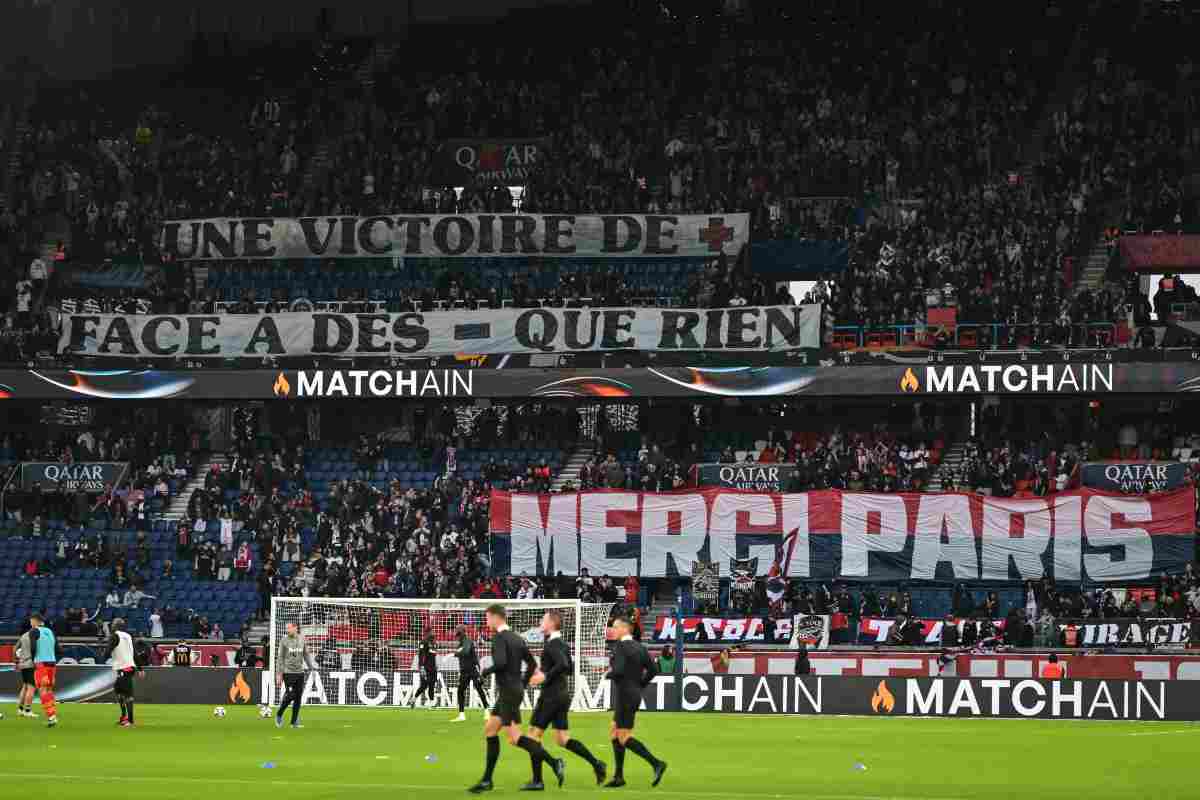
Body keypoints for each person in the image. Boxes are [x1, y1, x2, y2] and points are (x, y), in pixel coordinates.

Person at [468, 604, 563, 794]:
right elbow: (531, 663)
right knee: (490, 730)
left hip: (508, 693)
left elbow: (501, 662)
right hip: (513, 691)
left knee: (514, 738)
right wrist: (522, 683)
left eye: (488, 618)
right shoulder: (518, 638)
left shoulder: (500, 638)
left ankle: (554, 762)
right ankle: (487, 780)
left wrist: (485, 672)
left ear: (496, 618)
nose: (487, 623)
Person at [526, 610, 607, 788]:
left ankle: (540, 779)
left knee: (532, 737)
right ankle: (597, 764)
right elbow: (569, 668)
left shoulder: (552, 644)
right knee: (562, 739)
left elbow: (563, 665)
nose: (541, 621)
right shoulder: (561, 643)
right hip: (562, 694)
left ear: (552, 623)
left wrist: (544, 676)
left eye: (543, 619)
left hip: (551, 696)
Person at [606, 615, 666, 788]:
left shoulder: (620, 647)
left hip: (625, 695)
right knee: (614, 733)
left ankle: (657, 763)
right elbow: (654, 669)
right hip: (633, 693)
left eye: (616, 627)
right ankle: (618, 776)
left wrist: (607, 673)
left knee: (623, 736)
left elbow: (618, 671)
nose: (613, 630)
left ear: (625, 629)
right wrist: (639, 684)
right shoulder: (640, 647)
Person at [275, 622, 317, 729]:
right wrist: (279, 674)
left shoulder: (302, 639)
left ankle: (294, 722)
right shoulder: (284, 640)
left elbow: (306, 654)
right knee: (290, 695)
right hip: (288, 672)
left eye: (288, 628)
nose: (287, 630)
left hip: (300, 672)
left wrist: (311, 667)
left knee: (298, 697)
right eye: (286, 628)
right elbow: (280, 658)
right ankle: (279, 714)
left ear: (295, 628)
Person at [109, 618, 143, 727]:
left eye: (113, 624)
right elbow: (134, 654)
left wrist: (102, 658)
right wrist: (140, 668)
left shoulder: (115, 636)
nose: (112, 626)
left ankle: (131, 721)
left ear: (116, 626)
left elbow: (108, 649)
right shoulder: (128, 636)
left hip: (125, 668)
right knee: (118, 691)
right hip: (127, 667)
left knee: (127, 694)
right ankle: (124, 717)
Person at [28, 613, 59, 727]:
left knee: (42, 690)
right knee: (49, 689)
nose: (30, 623)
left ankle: (51, 717)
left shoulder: (34, 631)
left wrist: (32, 659)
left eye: (31, 621)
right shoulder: (50, 631)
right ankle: (53, 714)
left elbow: (33, 647)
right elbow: (58, 648)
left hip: (41, 663)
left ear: (35, 621)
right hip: (52, 663)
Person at [453, 625, 490, 723]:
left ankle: (487, 711)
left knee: (479, 688)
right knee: (460, 691)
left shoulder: (468, 641)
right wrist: (457, 652)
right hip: (464, 671)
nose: (457, 635)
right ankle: (461, 715)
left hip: (473, 669)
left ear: (462, 633)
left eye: (458, 633)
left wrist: (456, 653)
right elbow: (461, 654)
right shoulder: (460, 643)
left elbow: (465, 651)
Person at [14, 626, 38, 718]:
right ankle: (27, 710)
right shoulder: (35, 636)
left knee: (25, 686)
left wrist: (16, 662)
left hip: (22, 664)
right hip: (30, 663)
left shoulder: (23, 636)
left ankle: (20, 709)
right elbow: (35, 649)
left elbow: (14, 648)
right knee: (31, 687)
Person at [413, 630, 438, 708]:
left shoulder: (435, 644)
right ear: (428, 634)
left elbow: (433, 656)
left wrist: (436, 665)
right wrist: (421, 667)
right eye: (432, 634)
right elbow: (421, 655)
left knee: (432, 685)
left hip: (433, 668)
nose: (433, 636)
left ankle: (431, 703)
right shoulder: (423, 642)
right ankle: (413, 699)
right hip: (425, 668)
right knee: (424, 685)